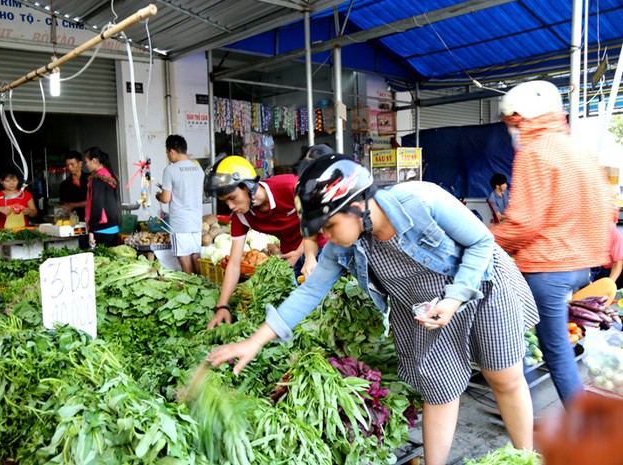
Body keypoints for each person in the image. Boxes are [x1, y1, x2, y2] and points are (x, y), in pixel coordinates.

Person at [209, 155, 539, 465]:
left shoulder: (421, 199)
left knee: (503, 377)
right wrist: (254, 342)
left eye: (329, 226)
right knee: (439, 387)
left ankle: (525, 457)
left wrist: (454, 298)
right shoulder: (344, 247)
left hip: (481, 282)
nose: (326, 236)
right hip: (423, 305)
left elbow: (481, 242)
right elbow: (309, 291)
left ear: (356, 206)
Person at [491, 80, 613, 405]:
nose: (511, 130)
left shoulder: (535, 151)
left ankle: (582, 431)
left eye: (511, 123)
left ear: (523, 118)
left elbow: (524, 222)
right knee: (543, 341)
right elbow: (607, 207)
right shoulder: (576, 149)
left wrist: (486, 240)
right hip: (581, 267)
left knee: (550, 351)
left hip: (548, 270)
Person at [204, 155, 324, 329]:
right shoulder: (241, 216)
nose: (230, 206)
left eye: (232, 197)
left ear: (247, 186)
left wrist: (301, 253)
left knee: (323, 307)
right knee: (300, 316)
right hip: (290, 258)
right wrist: (222, 305)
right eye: (225, 202)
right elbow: (234, 264)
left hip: (320, 249)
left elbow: (317, 218)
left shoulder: (290, 187)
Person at [155, 135, 204, 274]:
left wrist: (158, 195)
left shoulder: (170, 170)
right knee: (196, 256)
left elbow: (165, 198)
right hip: (196, 221)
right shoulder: (197, 168)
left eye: (167, 152)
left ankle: (190, 289)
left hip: (180, 223)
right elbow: (199, 192)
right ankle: (203, 286)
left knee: (184, 259)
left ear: (171, 151)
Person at [84, 147, 121, 247]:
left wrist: (91, 230)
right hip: (114, 227)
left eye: (87, 162)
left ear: (94, 161)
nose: (86, 165)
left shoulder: (97, 179)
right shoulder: (110, 176)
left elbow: (97, 204)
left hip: (102, 229)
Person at [59, 150, 89, 218]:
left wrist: (73, 205)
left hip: (94, 220)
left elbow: (94, 200)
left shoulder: (90, 179)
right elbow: (66, 206)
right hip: (76, 221)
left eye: (72, 164)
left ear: (80, 164)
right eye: (67, 165)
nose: (69, 167)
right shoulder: (64, 185)